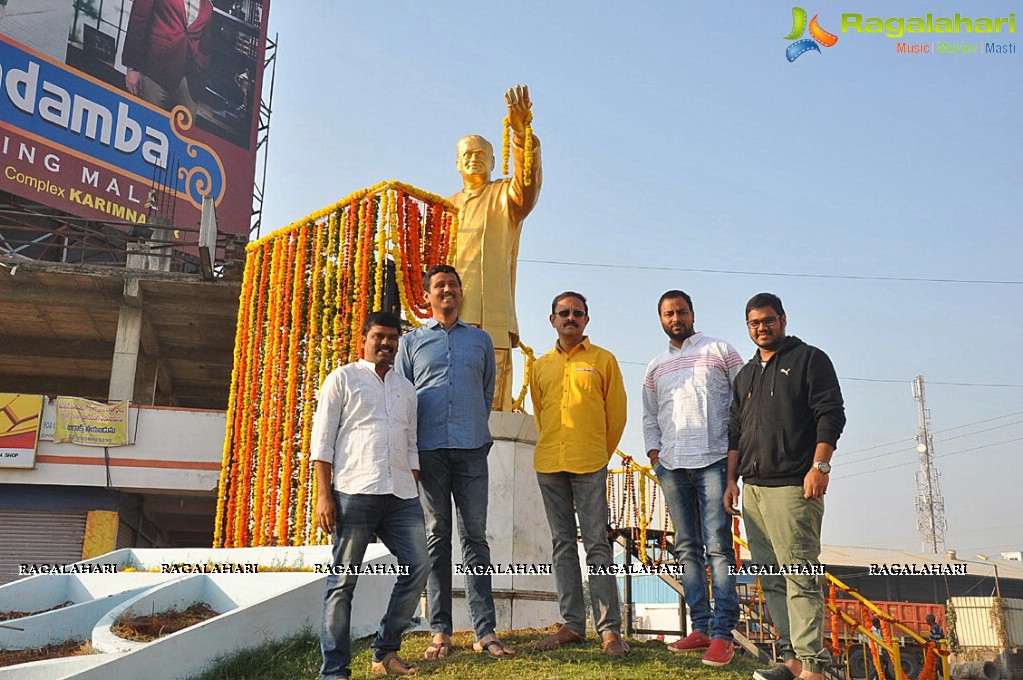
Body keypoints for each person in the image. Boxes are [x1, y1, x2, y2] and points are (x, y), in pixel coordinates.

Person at [393, 264, 515, 660]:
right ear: (427, 296)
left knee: (476, 539)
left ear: (461, 293)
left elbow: (486, 394)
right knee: (436, 538)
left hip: (471, 449)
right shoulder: (410, 344)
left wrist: (473, 433)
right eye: (439, 286)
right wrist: (409, 455)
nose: (447, 291)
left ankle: (485, 631)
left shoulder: (480, 341)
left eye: (453, 285)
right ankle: (440, 631)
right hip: (428, 453)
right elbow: (403, 400)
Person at [724, 292, 846, 680]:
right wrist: (731, 481)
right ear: (748, 327)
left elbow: (831, 413)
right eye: (755, 323)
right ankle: (791, 660)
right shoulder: (746, 374)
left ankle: (814, 666)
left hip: (795, 486)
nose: (762, 328)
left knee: (800, 575)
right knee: (773, 579)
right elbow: (735, 431)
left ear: (783, 319)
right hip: (754, 490)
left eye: (769, 320)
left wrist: (820, 466)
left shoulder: (810, 359)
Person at [311, 311, 430, 679]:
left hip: (400, 495)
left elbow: (411, 445)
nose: (386, 343)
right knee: (343, 582)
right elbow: (322, 443)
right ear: (364, 339)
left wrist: (410, 478)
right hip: (354, 491)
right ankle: (334, 671)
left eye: (392, 338)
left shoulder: (405, 388)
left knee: (418, 565)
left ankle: (385, 651)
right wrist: (324, 496)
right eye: (379, 336)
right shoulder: (343, 379)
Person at [642, 289, 744, 666]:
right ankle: (700, 627)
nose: (675, 318)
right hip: (673, 466)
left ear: (692, 313)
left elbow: (744, 400)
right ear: (661, 319)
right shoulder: (655, 367)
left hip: (715, 461)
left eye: (680, 311)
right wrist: (656, 456)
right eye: (668, 313)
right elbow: (649, 417)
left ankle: (723, 633)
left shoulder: (720, 351)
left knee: (718, 547)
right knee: (687, 549)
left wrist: (738, 456)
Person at [529, 292, 629, 658]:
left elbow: (616, 415)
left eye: (577, 313)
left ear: (587, 320)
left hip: (590, 463)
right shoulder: (539, 366)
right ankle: (572, 624)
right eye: (563, 313)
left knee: (598, 546)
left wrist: (598, 454)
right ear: (552, 319)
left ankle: (609, 630)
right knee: (562, 545)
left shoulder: (604, 360)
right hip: (550, 463)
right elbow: (540, 414)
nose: (570, 318)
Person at [447, 84, 542, 411]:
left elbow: (527, 184)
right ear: (457, 164)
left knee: (494, 409)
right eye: (467, 155)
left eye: (480, 155)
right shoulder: (444, 208)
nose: (473, 160)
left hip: (492, 317)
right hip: (450, 317)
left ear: (491, 160)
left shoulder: (505, 196)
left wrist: (520, 132)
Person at [122, 0, 214, 116]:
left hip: (188, 81)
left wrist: (200, 75)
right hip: (154, 71)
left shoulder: (207, 6)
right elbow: (139, 18)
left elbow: (206, 46)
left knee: (183, 132)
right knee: (147, 121)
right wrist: (133, 67)